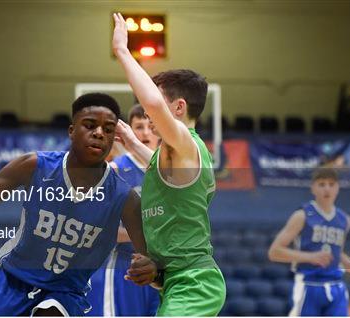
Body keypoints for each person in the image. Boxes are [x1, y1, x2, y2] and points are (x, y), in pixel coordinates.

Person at [0, 93, 158, 316]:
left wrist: (149, 267)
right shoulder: (34, 166)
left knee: (51, 311)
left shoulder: (124, 197)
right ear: (71, 130)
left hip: (66, 291)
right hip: (12, 281)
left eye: (108, 129)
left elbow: (151, 255)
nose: (99, 133)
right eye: (90, 125)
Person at [111, 13, 226, 316]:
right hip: (173, 280)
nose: (150, 117)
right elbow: (164, 175)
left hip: (194, 281)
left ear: (178, 107)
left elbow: (150, 103)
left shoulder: (186, 141)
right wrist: (132, 143)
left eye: (161, 105)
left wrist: (123, 51)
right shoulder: (176, 157)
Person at [268, 168, 350, 316]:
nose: (327, 189)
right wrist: (310, 257)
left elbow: (338, 255)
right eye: (322, 184)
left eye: (331, 184)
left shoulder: (344, 220)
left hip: (336, 286)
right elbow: (274, 252)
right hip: (308, 285)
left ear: (338, 188)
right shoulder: (302, 215)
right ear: (313, 188)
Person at [86, 104, 160, 316]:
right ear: (128, 132)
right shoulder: (114, 171)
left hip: (163, 268)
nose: (146, 132)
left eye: (149, 126)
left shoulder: (168, 171)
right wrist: (144, 237)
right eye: (139, 126)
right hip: (125, 268)